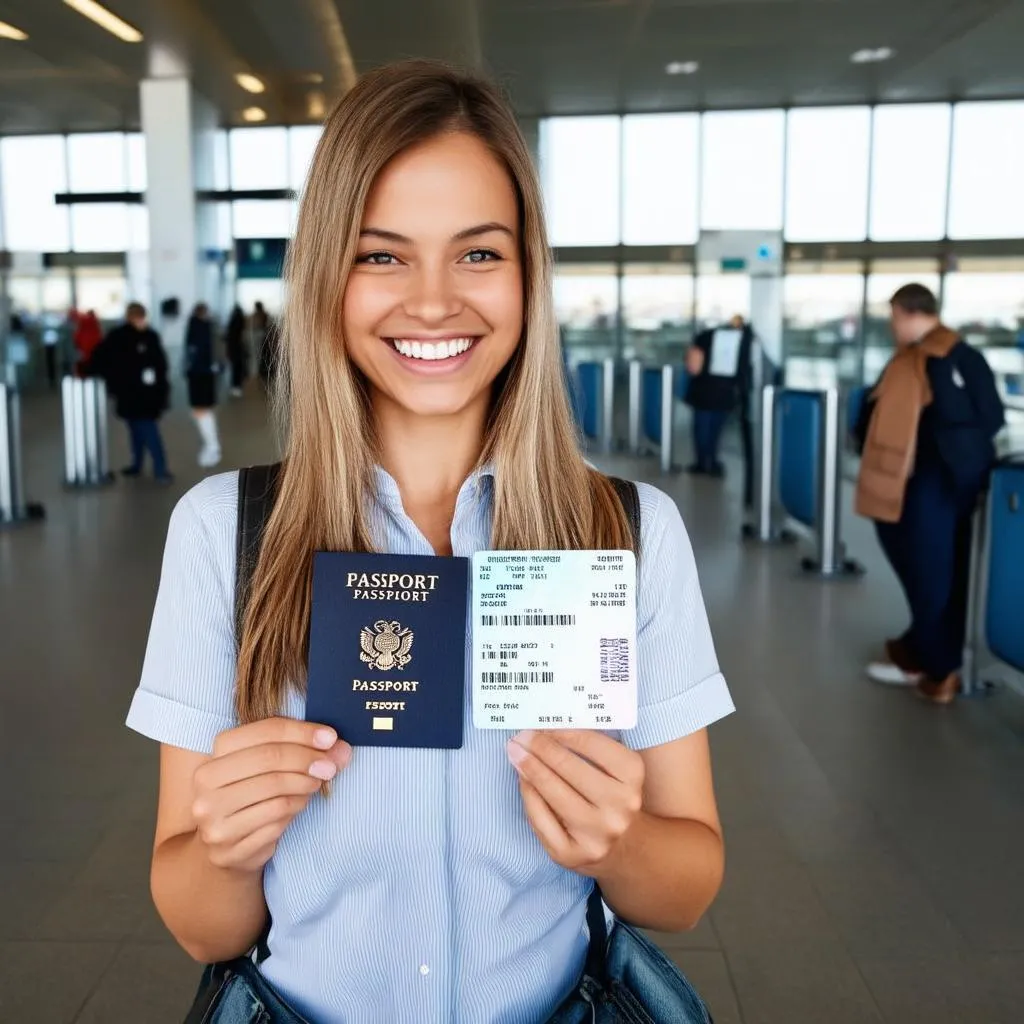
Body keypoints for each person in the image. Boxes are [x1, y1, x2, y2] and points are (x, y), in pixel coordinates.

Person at [125, 61, 734, 1024]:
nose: (435, 302)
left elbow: (686, 888)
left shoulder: (626, 534)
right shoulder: (225, 536)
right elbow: (205, 930)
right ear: (329, 275)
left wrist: (618, 843)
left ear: (528, 276)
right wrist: (226, 847)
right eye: (382, 255)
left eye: (479, 254)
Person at [856, 283, 1004, 704]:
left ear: (905, 312)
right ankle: (925, 647)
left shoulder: (949, 357)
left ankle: (935, 666)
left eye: (893, 317)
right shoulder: (927, 357)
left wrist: (944, 458)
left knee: (933, 574)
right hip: (923, 483)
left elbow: (986, 416)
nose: (891, 326)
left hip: (933, 485)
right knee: (932, 571)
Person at [89, 302, 172, 483]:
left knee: (148, 430)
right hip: (129, 394)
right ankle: (138, 465)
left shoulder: (149, 336)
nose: (141, 321)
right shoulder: (119, 337)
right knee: (135, 430)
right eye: (137, 317)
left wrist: (163, 392)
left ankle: (160, 469)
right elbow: (101, 358)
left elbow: (160, 365)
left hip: (146, 395)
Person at [684, 314, 754, 477]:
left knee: (702, 428)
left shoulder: (705, 336)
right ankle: (713, 462)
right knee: (715, 430)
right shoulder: (743, 341)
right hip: (726, 392)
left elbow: (693, 366)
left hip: (703, 389)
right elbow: (745, 371)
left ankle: (702, 464)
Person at [184, 302, 222, 468]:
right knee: (202, 410)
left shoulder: (197, 327)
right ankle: (211, 445)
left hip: (200, 374)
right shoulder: (203, 327)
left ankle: (212, 446)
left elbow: (195, 353)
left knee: (201, 410)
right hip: (203, 374)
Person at [225, 304, 248, 397]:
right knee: (238, 368)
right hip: (239, 348)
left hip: (233, 348)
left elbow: (228, 337)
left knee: (235, 368)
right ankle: (237, 387)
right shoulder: (241, 321)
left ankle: (235, 387)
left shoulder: (232, 321)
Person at [72, 309, 103, 378]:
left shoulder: (82, 323)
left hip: (83, 357)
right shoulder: (95, 325)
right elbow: (100, 340)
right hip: (94, 358)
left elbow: (76, 339)